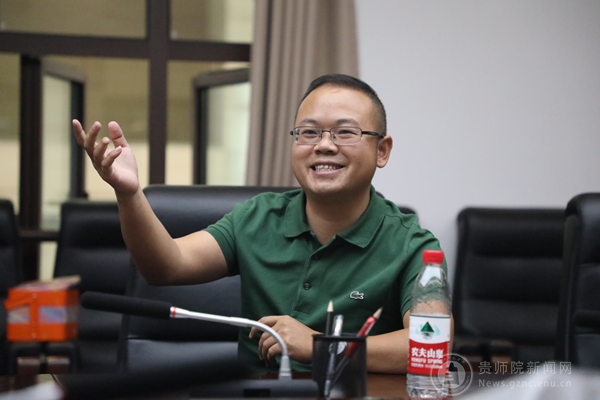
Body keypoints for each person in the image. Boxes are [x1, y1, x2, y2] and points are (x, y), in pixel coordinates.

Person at [73, 74, 450, 374]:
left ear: (382, 150)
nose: (323, 145)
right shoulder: (257, 218)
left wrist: (321, 347)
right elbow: (164, 266)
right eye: (309, 132)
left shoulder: (413, 245)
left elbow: (433, 346)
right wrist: (129, 194)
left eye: (345, 132)